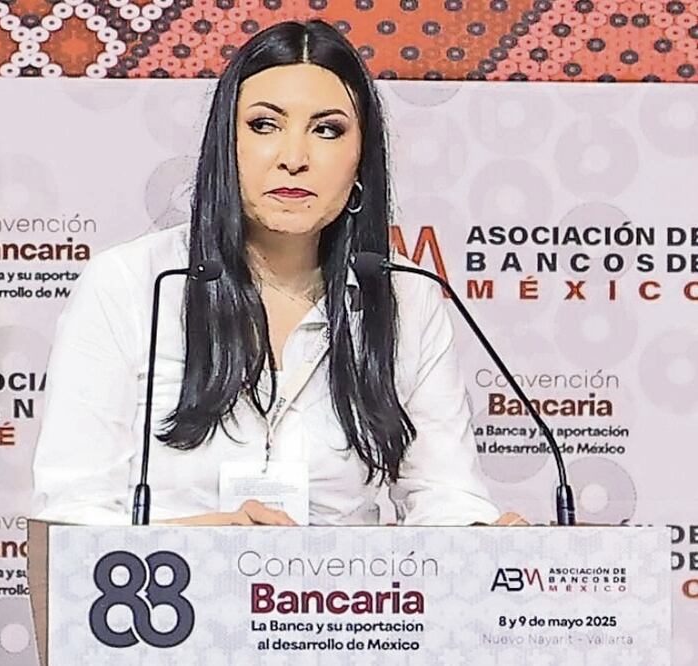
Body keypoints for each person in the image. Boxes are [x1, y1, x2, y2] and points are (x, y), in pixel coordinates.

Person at [32, 19, 523, 527]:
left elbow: (444, 493)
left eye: (327, 130)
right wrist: (208, 542)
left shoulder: (408, 297)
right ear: (227, 144)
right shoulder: (132, 284)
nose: (294, 158)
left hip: (344, 599)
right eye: (265, 125)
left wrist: (484, 540)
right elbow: (72, 516)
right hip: (167, 599)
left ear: (361, 159)